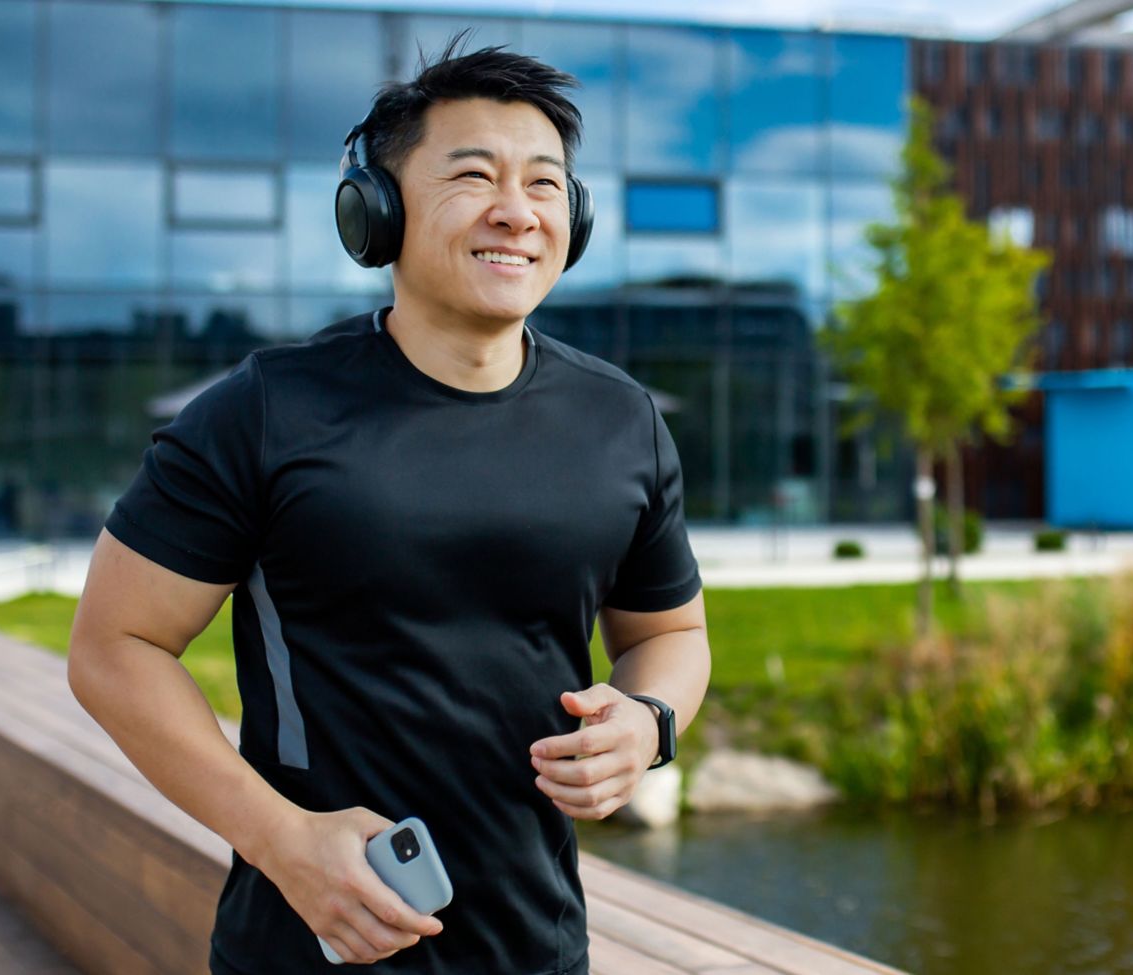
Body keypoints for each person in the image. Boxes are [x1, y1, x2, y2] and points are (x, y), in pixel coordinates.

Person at [68, 39, 710, 975]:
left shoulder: (623, 421)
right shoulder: (265, 411)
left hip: (539, 950)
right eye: (474, 176)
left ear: (573, 218)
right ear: (376, 210)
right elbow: (112, 646)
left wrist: (649, 720)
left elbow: (673, 633)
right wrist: (282, 838)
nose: (516, 210)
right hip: (304, 954)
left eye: (544, 183)